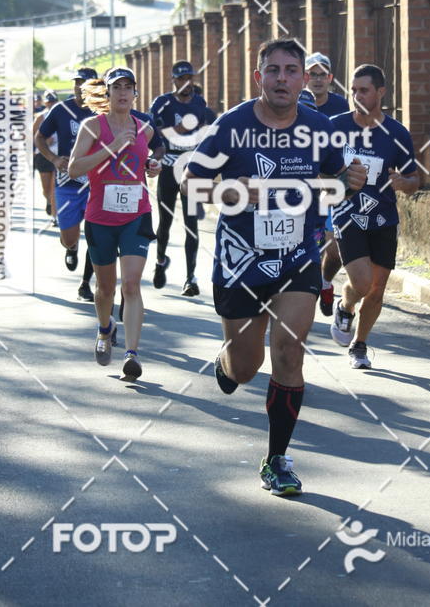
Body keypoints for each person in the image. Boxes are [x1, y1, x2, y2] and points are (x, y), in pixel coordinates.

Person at [182, 38, 367, 496]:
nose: (282, 78)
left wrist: (349, 183)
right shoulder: (232, 125)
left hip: (296, 259)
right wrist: (233, 194)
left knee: (289, 352)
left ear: (305, 79)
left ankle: (277, 459)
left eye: (290, 70)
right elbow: (192, 184)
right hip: (240, 261)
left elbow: (334, 188)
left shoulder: (321, 128)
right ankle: (227, 364)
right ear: (258, 76)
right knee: (247, 367)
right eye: (273, 70)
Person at [68, 67, 160, 379]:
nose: (122, 93)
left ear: (136, 93)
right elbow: (73, 168)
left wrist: (151, 166)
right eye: (116, 87)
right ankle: (105, 329)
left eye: (128, 87)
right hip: (100, 218)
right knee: (106, 288)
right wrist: (112, 146)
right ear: (108, 94)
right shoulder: (93, 127)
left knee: (131, 284)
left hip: (136, 214)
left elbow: (140, 161)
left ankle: (132, 355)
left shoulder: (144, 127)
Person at [329, 64, 419, 369]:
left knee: (378, 287)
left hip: (383, 218)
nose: (356, 96)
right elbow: (318, 169)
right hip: (346, 213)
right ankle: (345, 304)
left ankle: (360, 344)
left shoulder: (396, 133)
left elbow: (414, 178)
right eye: (352, 90)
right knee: (363, 283)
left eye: (363, 90)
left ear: (380, 92)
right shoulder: (335, 127)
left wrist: (404, 183)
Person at [150, 60, 211, 297]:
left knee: (191, 224)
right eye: (182, 79)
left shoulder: (199, 102)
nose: (187, 83)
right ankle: (160, 260)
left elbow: (204, 131)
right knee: (165, 222)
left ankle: (190, 278)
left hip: (190, 169)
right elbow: (149, 130)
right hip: (167, 168)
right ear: (173, 80)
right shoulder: (162, 103)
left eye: (190, 78)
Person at [35, 68, 97, 301]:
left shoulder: (104, 110)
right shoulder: (61, 110)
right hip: (68, 181)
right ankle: (71, 248)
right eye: (77, 83)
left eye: (85, 83)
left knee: (96, 234)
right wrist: (53, 158)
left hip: (96, 182)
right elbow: (40, 137)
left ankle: (85, 283)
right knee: (69, 237)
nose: (80, 87)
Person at [301, 54, 350, 317]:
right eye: (312, 74)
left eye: (323, 74)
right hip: (302, 193)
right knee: (310, 243)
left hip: (331, 186)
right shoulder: (293, 103)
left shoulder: (340, 106)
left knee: (333, 248)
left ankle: (325, 281)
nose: (318, 79)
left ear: (330, 78)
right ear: (304, 77)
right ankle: (307, 294)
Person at [32, 90, 58, 222]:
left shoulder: (61, 115)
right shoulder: (40, 117)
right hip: (42, 155)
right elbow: (30, 137)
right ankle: (49, 201)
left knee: (54, 187)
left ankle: (54, 216)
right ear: (45, 103)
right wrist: (43, 141)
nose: (51, 104)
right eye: (49, 102)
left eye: (53, 102)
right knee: (46, 189)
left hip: (58, 155)